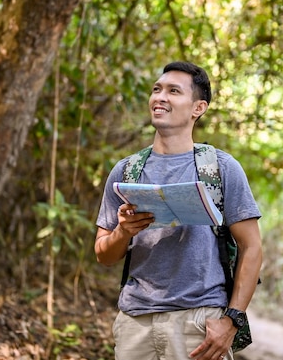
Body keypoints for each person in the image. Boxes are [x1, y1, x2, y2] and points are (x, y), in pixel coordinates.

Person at [94, 61, 263, 360]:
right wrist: (123, 231)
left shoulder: (221, 169)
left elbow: (252, 247)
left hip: (198, 322)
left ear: (198, 107)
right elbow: (103, 255)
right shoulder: (126, 171)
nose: (160, 97)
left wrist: (231, 321)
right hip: (136, 323)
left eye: (173, 91)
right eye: (157, 89)